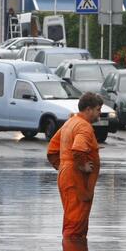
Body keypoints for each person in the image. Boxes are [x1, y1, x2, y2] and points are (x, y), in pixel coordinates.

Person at [47, 92, 102, 239]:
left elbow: (52, 150)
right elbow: (78, 148)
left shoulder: (70, 123)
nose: (100, 114)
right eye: (98, 109)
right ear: (88, 109)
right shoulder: (84, 127)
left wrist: (63, 167)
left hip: (67, 176)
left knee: (74, 219)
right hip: (75, 179)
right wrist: (82, 166)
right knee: (75, 225)